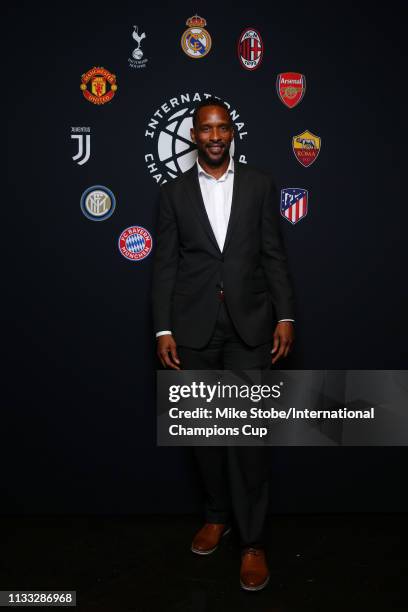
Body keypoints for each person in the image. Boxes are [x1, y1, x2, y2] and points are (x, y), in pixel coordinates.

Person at [152, 97, 295, 591]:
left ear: (232, 132)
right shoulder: (172, 194)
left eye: (222, 128)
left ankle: (252, 542)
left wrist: (286, 315)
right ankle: (216, 515)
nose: (214, 137)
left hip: (250, 328)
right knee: (204, 436)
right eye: (205, 130)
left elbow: (274, 255)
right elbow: (166, 265)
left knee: (248, 440)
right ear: (194, 135)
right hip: (192, 330)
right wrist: (162, 328)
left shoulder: (259, 184)